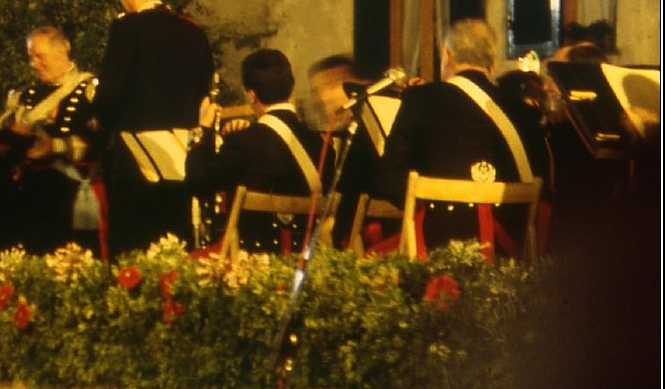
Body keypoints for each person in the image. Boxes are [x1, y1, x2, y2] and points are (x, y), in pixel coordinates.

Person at [377, 19, 550, 256]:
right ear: (494, 64)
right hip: (508, 248)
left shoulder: (421, 98)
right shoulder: (521, 111)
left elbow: (390, 177)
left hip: (438, 244)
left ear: (446, 57)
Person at [94, 0, 214, 255]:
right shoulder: (194, 31)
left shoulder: (128, 29)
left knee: (133, 247)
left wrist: (100, 118)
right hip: (182, 155)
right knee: (174, 243)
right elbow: (205, 93)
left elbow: (108, 96)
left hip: (136, 158)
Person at [188, 49, 333, 254]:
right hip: (309, 259)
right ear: (290, 89)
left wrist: (202, 129)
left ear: (251, 95)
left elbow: (198, 181)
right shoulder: (320, 143)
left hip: (253, 261)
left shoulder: (243, 143)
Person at [0, 27, 101, 254]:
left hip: (72, 194)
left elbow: (102, 141)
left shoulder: (90, 90)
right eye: (30, 57)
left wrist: (55, 146)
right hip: (33, 196)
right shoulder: (25, 96)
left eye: (40, 56)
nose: (33, 64)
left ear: (62, 52)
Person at [307, 54, 384, 246]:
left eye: (330, 86)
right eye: (316, 91)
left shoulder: (366, 136)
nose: (320, 98)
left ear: (358, 85)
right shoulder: (334, 137)